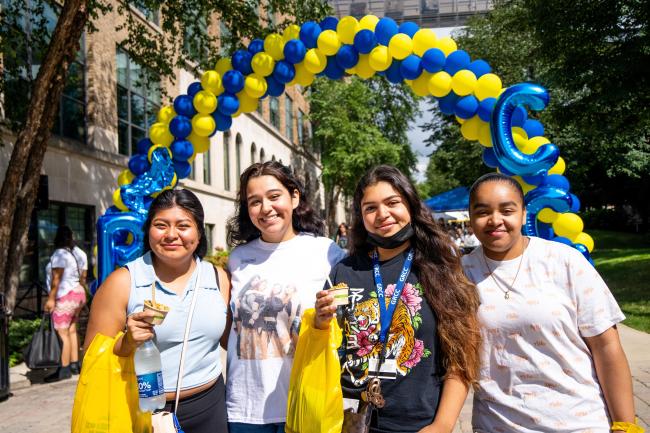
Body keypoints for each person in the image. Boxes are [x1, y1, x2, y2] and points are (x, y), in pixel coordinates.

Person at [462, 172, 638, 433]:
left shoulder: (564, 261)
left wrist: (625, 425)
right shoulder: (460, 274)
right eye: (483, 211)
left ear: (523, 214)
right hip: (497, 425)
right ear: (471, 217)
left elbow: (607, 346)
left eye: (507, 210)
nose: (495, 220)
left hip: (580, 423)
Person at [315, 165, 482, 432]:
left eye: (392, 202)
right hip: (348, 421)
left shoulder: (442, 269)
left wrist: (442, 425)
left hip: (418, 425)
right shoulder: (344, 271)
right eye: (370, 208)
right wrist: (320, 323)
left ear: (410, 204)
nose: (382, 214)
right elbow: (331, 345)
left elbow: (461, 357)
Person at [84, 189, 230, 433]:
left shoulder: (217, 277)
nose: (171, 235)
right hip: (145, 414)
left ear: (199, 232)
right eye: (161, 225)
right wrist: (127, 342)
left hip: (211, 407)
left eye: (183, 225)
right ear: (148, 229)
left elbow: (230, 339)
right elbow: (91, 357)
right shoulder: (122, 282)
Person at [226, 161, 347, 432]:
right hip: (246, 409)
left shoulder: (325, 252)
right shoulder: (237, 259)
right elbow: (228, 329)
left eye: (274, 196)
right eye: (254, 201)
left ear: (294, 197)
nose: (265, 208)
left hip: (307, 398)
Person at [43, 225, 88, 382]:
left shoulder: (59, 254)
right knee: (71, 330)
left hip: (65, 295)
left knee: (62, 332)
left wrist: (50, 299)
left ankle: (64, 369)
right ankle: (74, 364)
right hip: (78, 294)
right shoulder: (72, 254)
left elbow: (56, 279)